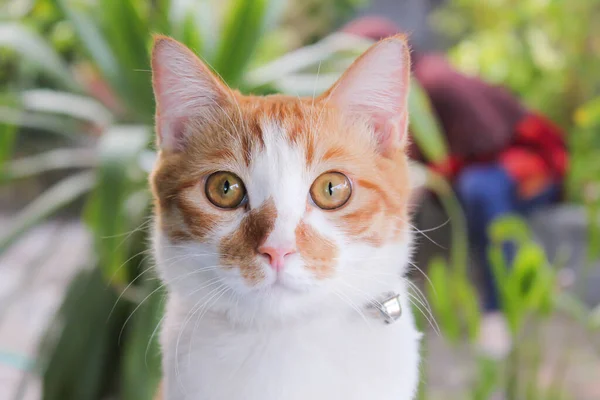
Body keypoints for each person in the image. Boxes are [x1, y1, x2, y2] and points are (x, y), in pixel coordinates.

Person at [342, 16, 568, 356]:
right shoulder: (391, 101)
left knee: (480, 190)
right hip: (473, 167)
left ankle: (497, 311)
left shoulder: (437, 82)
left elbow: (488, 144)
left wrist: (427, 177)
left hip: (522, 163)